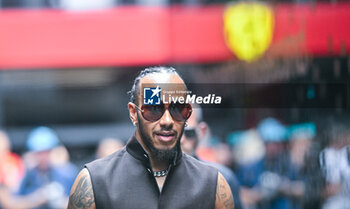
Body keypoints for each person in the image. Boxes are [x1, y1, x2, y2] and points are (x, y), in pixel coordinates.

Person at [67, 66, 234, 209]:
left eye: (178, 109)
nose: (167, 121)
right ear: (133, 113)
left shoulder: (212, 184)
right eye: (154, 109)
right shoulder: (95, 182)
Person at [180, 105, 243, 209]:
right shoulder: (150, 179)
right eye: (175, 132)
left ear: (202, 130)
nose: (181, 140)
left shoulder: (222, 178)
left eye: (188, 133)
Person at [18, 126, 77, 209]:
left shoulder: (67, 173)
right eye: (39, 153)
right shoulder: (28, 175)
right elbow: (13, 203)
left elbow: (82, 201)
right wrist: (38, 198)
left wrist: (61, 202)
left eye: (46, 152)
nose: (43, 157)